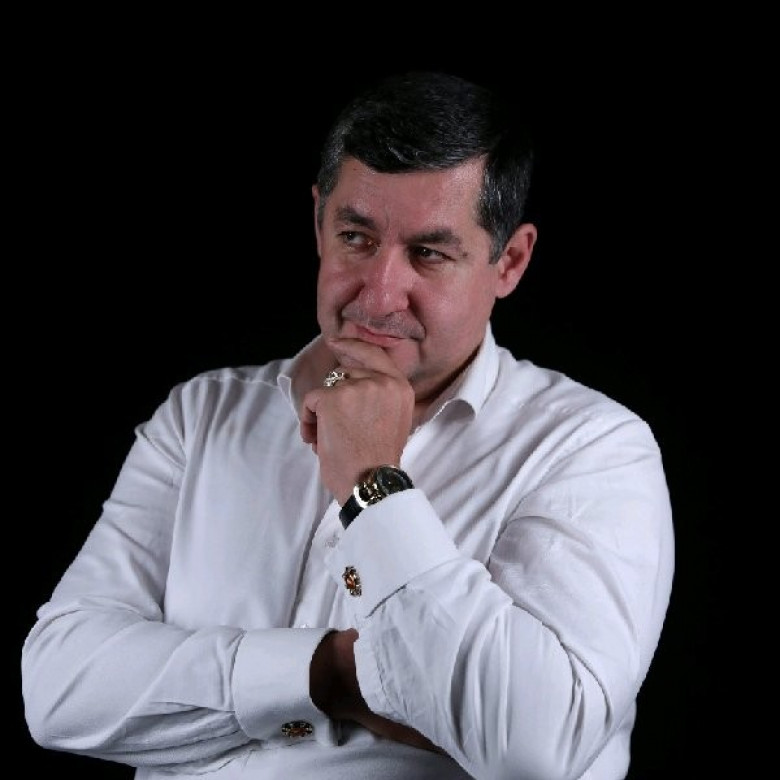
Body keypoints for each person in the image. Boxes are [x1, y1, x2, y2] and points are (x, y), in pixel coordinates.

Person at [21, 70, 675, 780]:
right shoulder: (202, 416)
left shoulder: (592, 449)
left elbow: (534, 749)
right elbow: (58, 690)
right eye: (357, 237)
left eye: (429, 253)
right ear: (318, 223)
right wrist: (329, 675)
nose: (380, 294)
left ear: (508, 262)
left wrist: (372, 483)